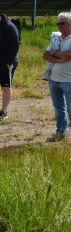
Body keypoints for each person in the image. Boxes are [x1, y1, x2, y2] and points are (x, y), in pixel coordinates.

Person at [42, 12, 71, 142]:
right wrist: (58, 56)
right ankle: (60, 133)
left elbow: (68, 55)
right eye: (58, 23)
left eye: (62, 23)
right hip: (54, 79)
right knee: (59, 108)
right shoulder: (56, 38)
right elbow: (45, 55)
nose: (59, 26)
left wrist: (54, 55)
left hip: (69, 80)